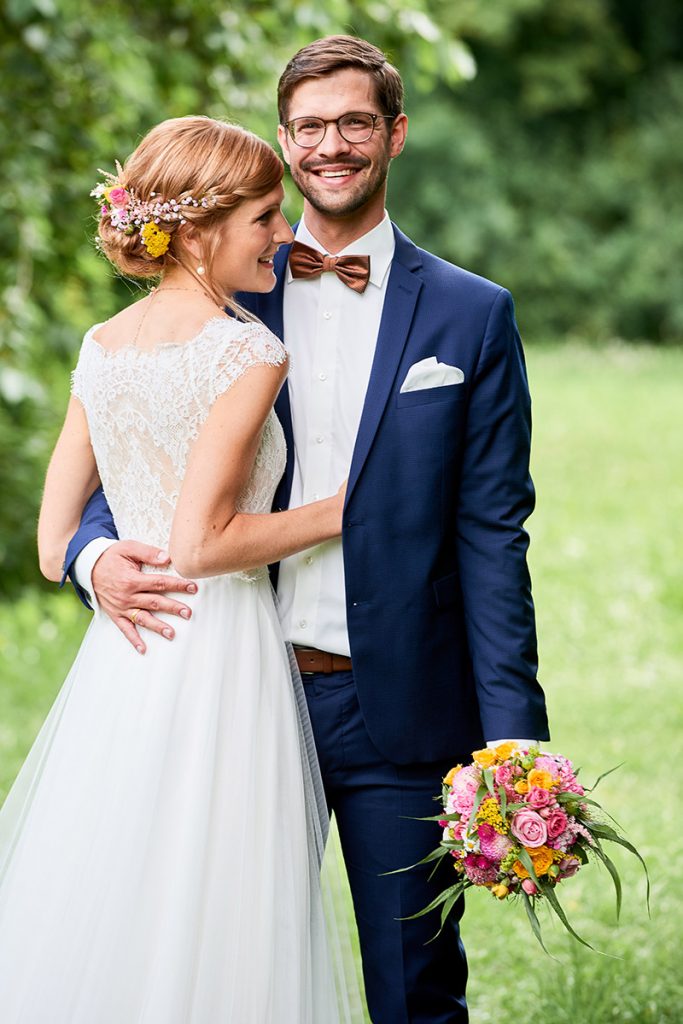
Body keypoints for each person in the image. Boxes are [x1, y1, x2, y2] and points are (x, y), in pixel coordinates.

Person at [64, 36, 551, 1024]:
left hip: (397, 710)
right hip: (232, 692)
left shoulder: (470, 316)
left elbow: (492, 537)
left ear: (394, 135)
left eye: (354, 123)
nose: (331, 145)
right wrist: (92, 554)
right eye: (310, 127)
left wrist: (514, 743)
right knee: (221, 980)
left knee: (413, 991)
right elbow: (139, 438)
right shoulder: (225, 273)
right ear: (284, 142)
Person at [0, 115, 350, 1022]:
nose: (284, 232)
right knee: (221, 885)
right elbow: (202, 544)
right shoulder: (248, 351)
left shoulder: (101, 344)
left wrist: (98, 560)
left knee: (120, 872)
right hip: (220, 647)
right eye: (267, 216)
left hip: (129, 651)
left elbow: (50, 545)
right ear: (195, 233)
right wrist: (347, 508)